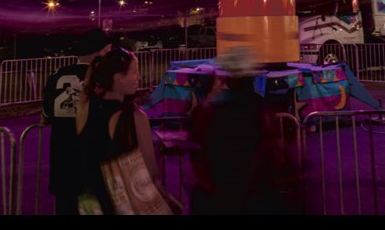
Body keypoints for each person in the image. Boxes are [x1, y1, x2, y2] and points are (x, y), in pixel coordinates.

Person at [188, 46, 292, 214]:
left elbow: (200, 154)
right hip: (253, 195)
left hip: (223, 194)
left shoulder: (214, 112)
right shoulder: (260, 110)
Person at [75, 46, 164, 214]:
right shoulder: (135, 117)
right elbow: (151, 171)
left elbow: (87, 89)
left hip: (91, 204)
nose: (139, 77)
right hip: (122, 205)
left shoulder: (85, 108)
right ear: (118, 78)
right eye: (134, 72)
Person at [40, 28, 113, 215]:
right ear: (102, 51)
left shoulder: (57, 75)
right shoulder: (102, 77)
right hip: (93, 166)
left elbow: (45, 116)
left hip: (62, 161)